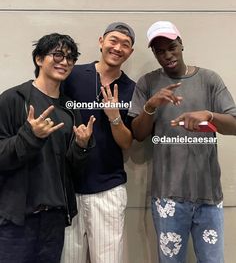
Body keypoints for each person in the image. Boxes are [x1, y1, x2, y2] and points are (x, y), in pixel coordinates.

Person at [129, 21, 236, 263]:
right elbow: (138, 134)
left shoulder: (210, 80)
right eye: (159, 51)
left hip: (209, 195)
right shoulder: (147, 83)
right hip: (168, 197)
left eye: (172, 47)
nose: (167, 55)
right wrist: (151, 105)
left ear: (181, 44)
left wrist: (209, 115)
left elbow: (234, 123)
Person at [0, 33, 95, 263]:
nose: (65, 62)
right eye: (58, 54)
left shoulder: (70, 110)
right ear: (39, 59)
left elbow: (72, 170)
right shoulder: (13, 99)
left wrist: (82, 147)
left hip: (54, 220)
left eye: (70, 57)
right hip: (16, 220)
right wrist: (29, 136)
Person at [61, 22, 135, 263]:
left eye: (125, 44)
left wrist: (114, 117)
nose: (118, 47)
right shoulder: (71, 75)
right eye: (113, 40)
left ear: (130, 53)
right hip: (67, 188)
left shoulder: (131, 89)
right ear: (101, 41)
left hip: (108, 188)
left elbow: (127, 143)